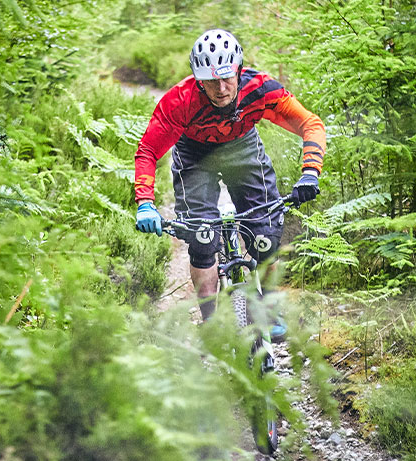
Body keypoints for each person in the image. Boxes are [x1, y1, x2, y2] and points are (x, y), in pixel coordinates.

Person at [134, 29, 326, 342]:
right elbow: (148, 151)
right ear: (198, 79)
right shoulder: (180, 101)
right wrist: (145, 203)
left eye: (227, 78)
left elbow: (310, 124)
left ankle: (269, 307)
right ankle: (211, 323)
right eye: (210, 81)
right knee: (202, 238)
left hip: (243, 149)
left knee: (265, 235)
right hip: (195, 155)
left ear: (238, 70)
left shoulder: (260, 88)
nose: (221, 89)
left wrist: (310, 173)